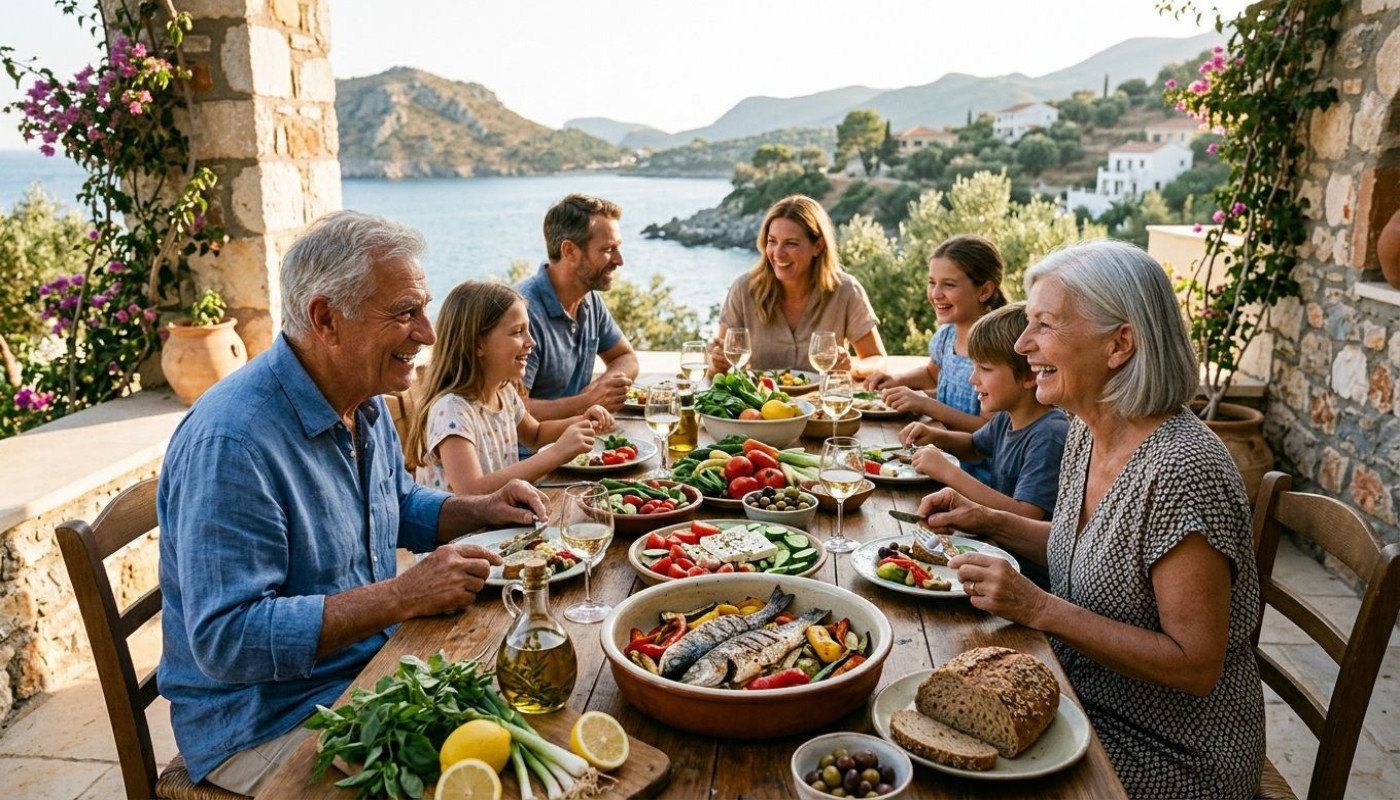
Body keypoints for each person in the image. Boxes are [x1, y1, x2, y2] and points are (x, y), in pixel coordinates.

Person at [156, 211, 549, 795]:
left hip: (366, 670)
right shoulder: (233, 443)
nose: (428, 333)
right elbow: (227, 638)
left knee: (530, 713)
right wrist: (400, 595)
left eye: (424, 307)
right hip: (265, 722)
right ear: (325, 319)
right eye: (404, 313)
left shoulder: (361, 399)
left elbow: (395, 501)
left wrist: (479, 508)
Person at [917, 240, 1265, 798]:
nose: (1025, 345)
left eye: (1045, 326)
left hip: (1166, 751)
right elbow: (1099, 548)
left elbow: (1195, 664)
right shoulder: (1088, 426)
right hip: (1078, 698)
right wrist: (987, 519)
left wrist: (1038, 607)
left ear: (1119, 343)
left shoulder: (1184, 471)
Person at [405, 280, 616, 495]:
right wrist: (556, 453)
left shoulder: (503, 392)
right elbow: (470, 491)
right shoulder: (451, 411)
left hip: (498, 521)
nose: (531, 341)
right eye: (518, 332)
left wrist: (582, 421)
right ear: (478, 344)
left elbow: (535, 434)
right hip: (465, 528)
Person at [865, 233, 1007, 484]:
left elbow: (988, 430)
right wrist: (896, 380)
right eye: (932, 283)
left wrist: (926, 404)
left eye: (949, 285)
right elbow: (933, 373)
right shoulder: (946, 336)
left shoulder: (997, 350)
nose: (936, 293)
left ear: (984, 290)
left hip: (978, 476)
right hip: (939, 456)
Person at [709, 195, 886, 377]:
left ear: (818, 246)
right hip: (760, 405)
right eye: (772, 241)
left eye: (791, 244)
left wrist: (851, 367)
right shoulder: (744, 289)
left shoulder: (846, 290)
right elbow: (718, 364)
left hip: (822, 403)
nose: (778, 253)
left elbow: (877, 360)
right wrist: (718, 364)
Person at [516, 194, 638, 423]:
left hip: (578, 445)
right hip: (532, 454)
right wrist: (587, 402)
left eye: (617, 248)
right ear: (569, 251)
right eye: (608, 249)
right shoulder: (522, 313)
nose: (619, 260)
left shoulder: (590, 300)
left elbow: (626, 357)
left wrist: (600, 391)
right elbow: (511, 409)